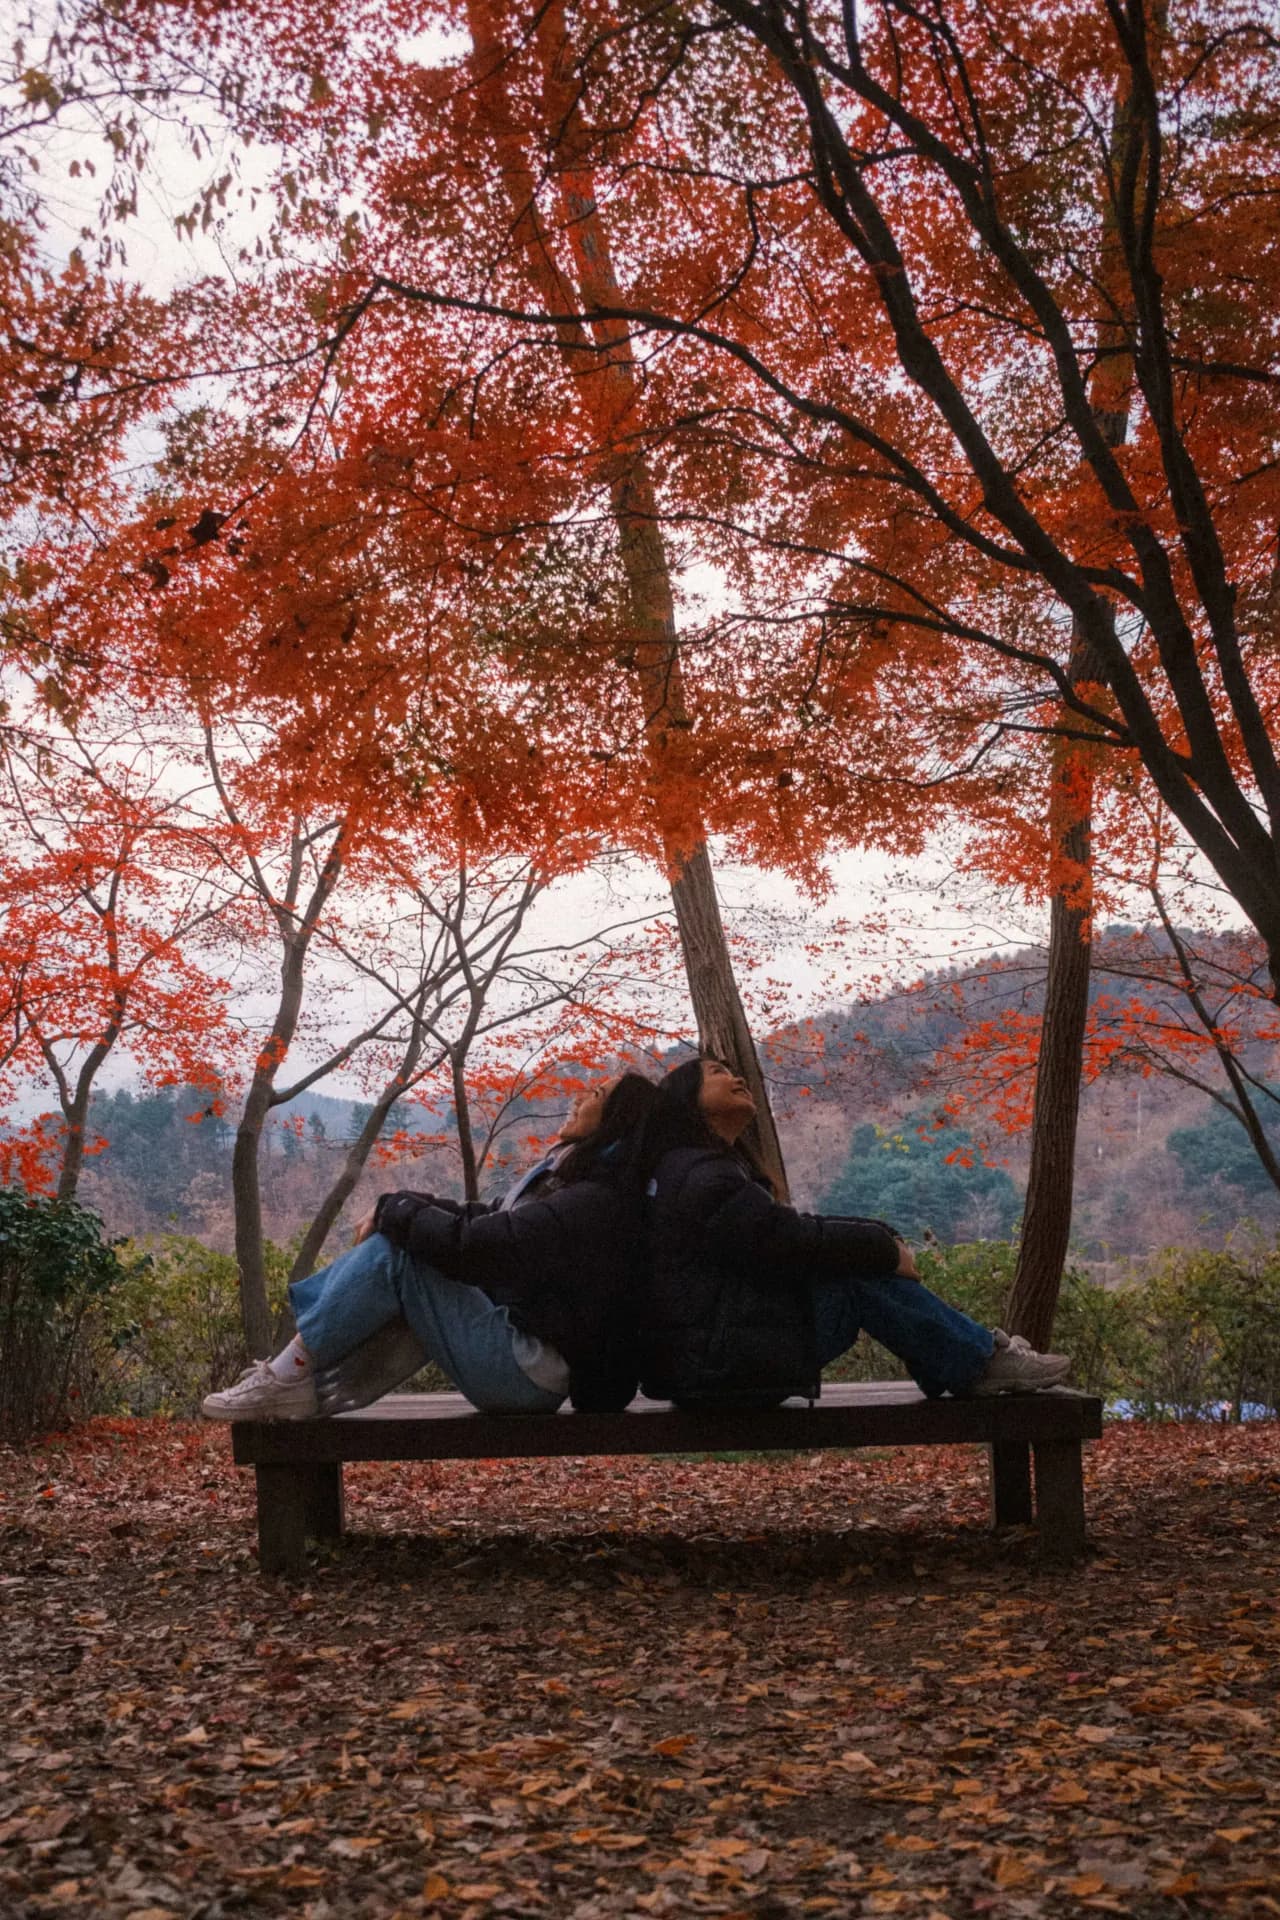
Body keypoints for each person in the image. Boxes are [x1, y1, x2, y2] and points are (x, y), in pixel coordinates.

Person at [202, 1072, 657, 1422]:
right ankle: (306, 1381)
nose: (578, 1096)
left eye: (595, 1095)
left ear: (616, 1121)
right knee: (404, 1245)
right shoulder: (570, 1181)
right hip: (525, 1361)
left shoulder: (594, 1200)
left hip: (527, 1371)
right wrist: (400, 1204)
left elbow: (483, 1246)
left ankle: (291, 1376)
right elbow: (489, 1216)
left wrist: (396, 1213)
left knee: (396, 1256)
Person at [635, 1057, 1070, 1407]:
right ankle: (977, 1363)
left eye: (734, 1070)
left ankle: (971, 1362)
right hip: (715, 1363)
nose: (737, 1078)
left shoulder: (694, 1169)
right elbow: (788, 1241)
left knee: (858, 1270)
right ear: (688, 1102)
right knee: (859, 1283)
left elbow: (787, 1232)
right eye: (718, 1073)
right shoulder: (702, 1175)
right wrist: (882, 1250)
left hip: (704, 1357)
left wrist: (879, 1237)